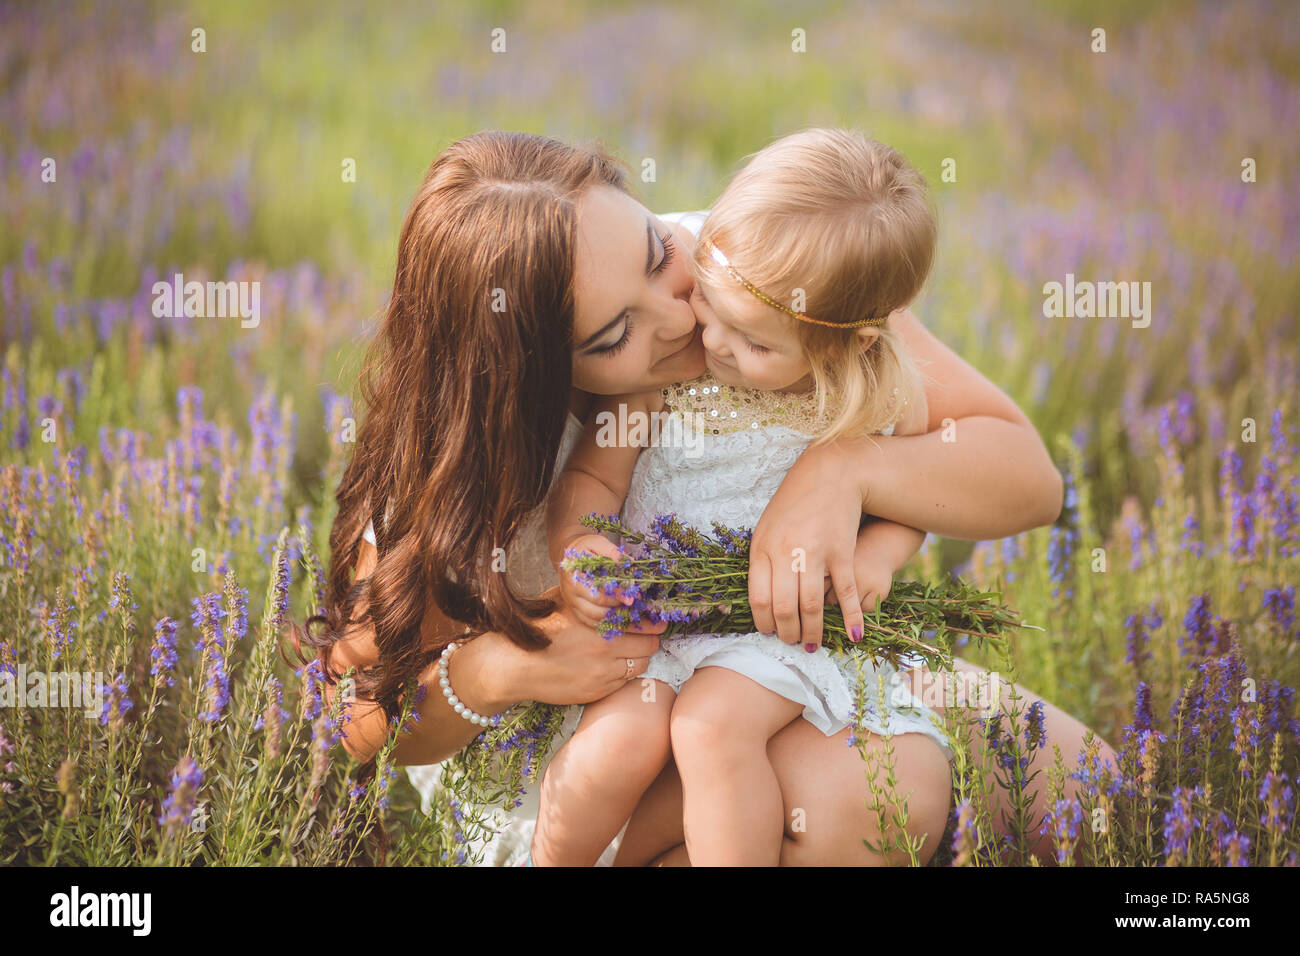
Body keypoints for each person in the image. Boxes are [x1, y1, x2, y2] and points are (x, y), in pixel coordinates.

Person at [308, 130, 1115, 866]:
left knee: (1099, 793)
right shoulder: (461, 460)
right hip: (571, 762)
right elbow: (357, 724)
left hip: (773, 657)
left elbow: (1029, 480)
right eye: (614, 334)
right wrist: (495, 673)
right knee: (865, 794)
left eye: (659, 252)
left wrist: (847, 470)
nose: (683, 316)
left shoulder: (751, 266)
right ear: (528, 374)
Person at [535, 129, 951, 866]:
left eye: (753, 342)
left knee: (710, 729)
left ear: (846, 344)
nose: (712, 340)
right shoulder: (669, 372)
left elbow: (911, 498)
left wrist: (877, 557)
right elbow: (593, 480)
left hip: (771, 632)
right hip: (659, 617)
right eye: (713, 308)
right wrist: (579, 545)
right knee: (616, 746)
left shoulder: (871, 393)